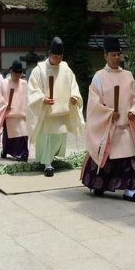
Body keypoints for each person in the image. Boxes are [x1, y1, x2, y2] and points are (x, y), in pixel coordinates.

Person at [81, 35, 135, 202]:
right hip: (108, 127)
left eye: (118, 54)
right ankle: (99, 185)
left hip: (124, 127)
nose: (117, 58)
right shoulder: (99, 76)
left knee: (126, 159)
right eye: (113, 55)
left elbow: (134, 100)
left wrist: (132, 110)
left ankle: (129, 190)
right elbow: (94, 104)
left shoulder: (128, 76)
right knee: (106, 157)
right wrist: (108, 113)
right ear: (105, 56)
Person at [27, 37, 84, 177]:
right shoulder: (39, 70)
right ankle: (47, 163)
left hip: (61, 110)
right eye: (55, 56)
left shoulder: (65, 68)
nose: (57, 59)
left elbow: (73, 85)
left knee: (59, 136)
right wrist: (42, 99)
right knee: (47, 137)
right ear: (49, 54)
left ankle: (51, 158)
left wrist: (74, 96)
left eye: (60, 57)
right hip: (46, 111)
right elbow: (32, 89)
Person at [0, 60, 29, 162]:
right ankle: (6, 150)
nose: (17, 77)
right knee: (10, 135)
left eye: (19, 75)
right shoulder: (4, 83)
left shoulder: (24, 83)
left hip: (21, 114)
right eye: (15, 74)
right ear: (11, 72)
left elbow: (28, 98)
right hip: (9, 114)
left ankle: (23, 153)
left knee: (23, 134)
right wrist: (4, 105)